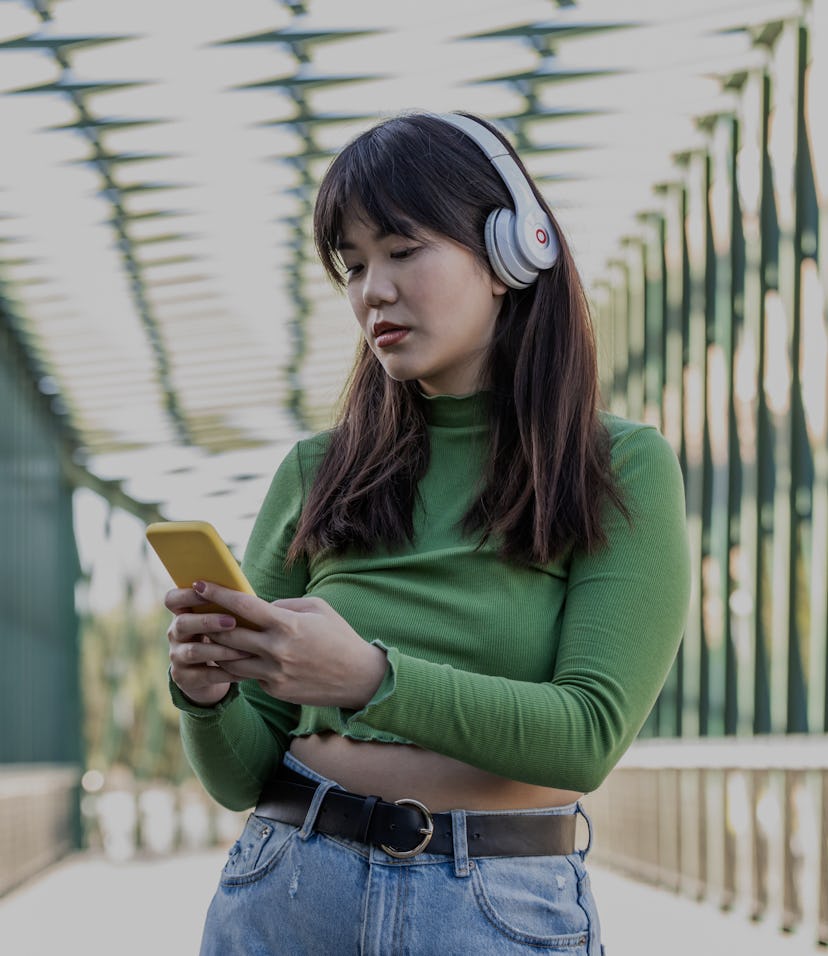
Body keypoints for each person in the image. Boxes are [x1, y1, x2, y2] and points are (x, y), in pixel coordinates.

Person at [164, 111, 691, 955]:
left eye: (403, 250)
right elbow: (240, 778)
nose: (372, 290)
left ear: (517, 251)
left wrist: (369, 678)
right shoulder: (317, 469)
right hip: (287, 888)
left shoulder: (618, 465)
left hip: (495, 908)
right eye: (353, 264)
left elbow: (588, 737)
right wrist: (206, 694)